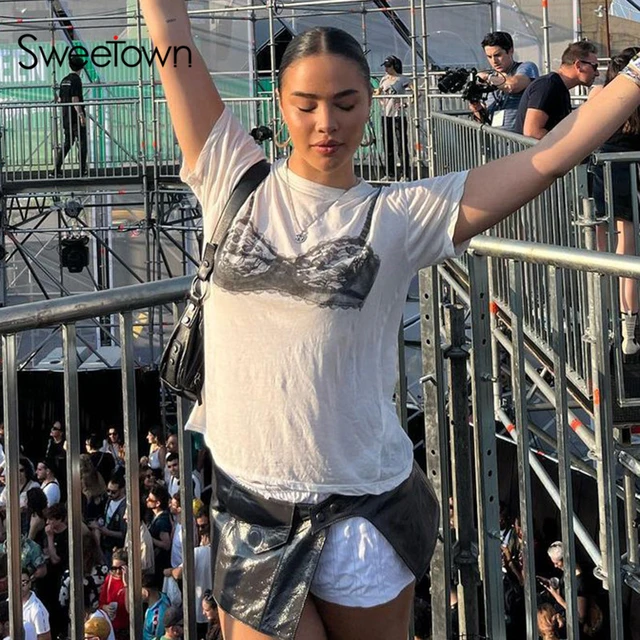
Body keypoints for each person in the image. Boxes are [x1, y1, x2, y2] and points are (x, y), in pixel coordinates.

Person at [141, 1, 640, 636]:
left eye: (347, 103)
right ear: (281, 105)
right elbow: (169, 32)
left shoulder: (400, 216)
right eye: (307, 104)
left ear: (371, 104)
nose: (327, 123)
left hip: (363, 522)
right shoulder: (229, 177)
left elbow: (551, 156)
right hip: (253, 511)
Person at [588, 47, 640, 360]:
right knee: (628, 252)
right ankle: (628, 331)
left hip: (601, 175)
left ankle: (605, 319)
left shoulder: (602, 96)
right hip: (625, 177)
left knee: (604, 250)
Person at [514, 40, 599, 138]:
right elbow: (532, 132)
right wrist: (568, 145)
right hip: (533, 152)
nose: (597, 73)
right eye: (594, 66)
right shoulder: (548, 86)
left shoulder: (559, 88)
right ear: (578, 65)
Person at [470, 31, 539, 130]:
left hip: (519, 141)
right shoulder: (490, 79)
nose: (494, 61)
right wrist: (477, 110)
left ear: (510, 51)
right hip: (496, 141)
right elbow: (482, 122)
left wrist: (488, 78)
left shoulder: (526, 67)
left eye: (497, 55)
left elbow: (513, 85)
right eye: (489, 57)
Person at [375, 55, 411, 180]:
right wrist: (379, 100)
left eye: (388, 66)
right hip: (386, 115)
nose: (386, 68)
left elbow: (416, 93)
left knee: (401, 144)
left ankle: (405, 174)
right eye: (385, 66)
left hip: (398, 115)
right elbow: (378, 92)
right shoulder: (384, 79)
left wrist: (405, 103)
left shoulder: (402, 79)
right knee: (387, 144)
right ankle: (389, 173)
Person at [54, 53, 88, 177]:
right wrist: (81, 115)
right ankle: (82, 170)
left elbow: (59, 100)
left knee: (68, 143)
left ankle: (56, 169)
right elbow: (75, 99)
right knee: (83, 142)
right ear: (80, 68)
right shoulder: (76, 80)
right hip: (75, 117)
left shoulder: (64, 80)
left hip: (66, 116)